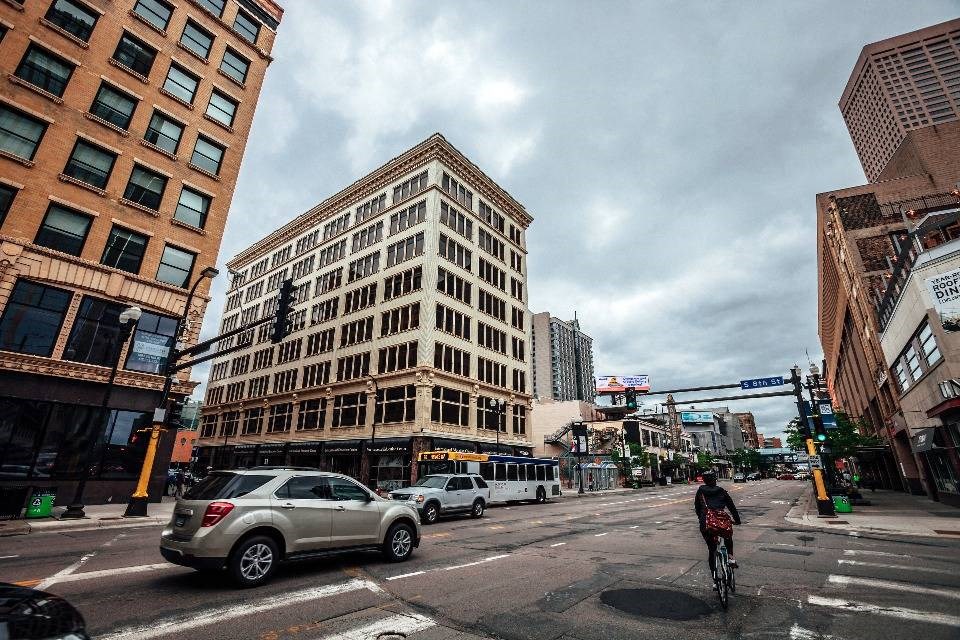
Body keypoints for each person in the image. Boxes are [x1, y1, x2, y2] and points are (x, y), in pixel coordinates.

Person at [694, 471, 741, 574]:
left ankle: (715, 578)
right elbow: (732, 507)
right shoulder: (721, 491)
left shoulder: (700, 491)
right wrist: (737, 520)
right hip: (721, 521)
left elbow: (697, 508)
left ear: (704, 480)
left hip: (706, 523)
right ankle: (730, 557)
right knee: (728, 537)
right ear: (715, 479)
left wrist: (701, 518)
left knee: (712, 550)